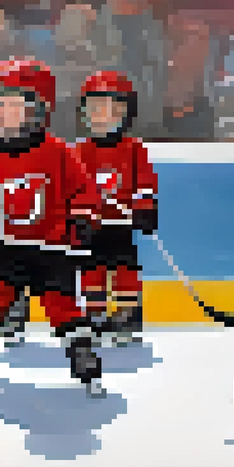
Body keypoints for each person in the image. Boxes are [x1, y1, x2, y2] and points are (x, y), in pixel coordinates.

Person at [0, 59, 106, 395]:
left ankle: (82, 352)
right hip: (8, 247)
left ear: (38, 109)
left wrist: (84, 220)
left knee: (61, 303)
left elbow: (84, 192)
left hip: (53, 250)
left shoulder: (59, 153)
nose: (1, 112)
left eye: (11, 105)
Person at [72, 72, 158, 346]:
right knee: (91, 269)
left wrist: (145, 208)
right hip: (93, 226)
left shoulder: (134, 149)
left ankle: (126, 315)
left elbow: (144, 182)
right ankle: (93, 314)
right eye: (93, 108)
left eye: (109, 109)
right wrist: (77, 217)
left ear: (125, 113)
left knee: (125, 268)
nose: (100, 115)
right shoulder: (80, 151)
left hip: (122, 225)